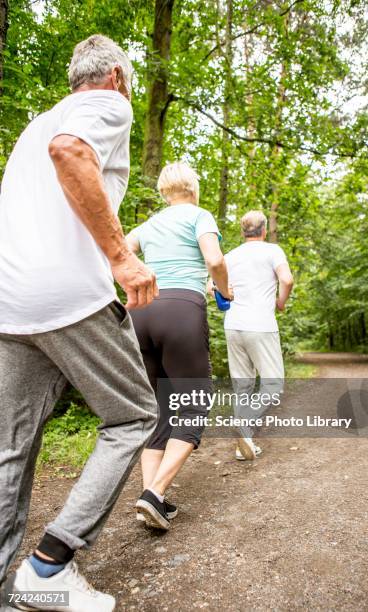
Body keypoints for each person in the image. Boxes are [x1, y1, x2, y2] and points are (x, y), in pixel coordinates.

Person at [0, 35, 159, 611]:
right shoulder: (105, 104)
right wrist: (120, 255)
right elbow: (71, 150)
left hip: (10, 301)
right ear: (116, 74)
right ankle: (47, 569)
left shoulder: (33, 126)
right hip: (68, 296)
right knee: (134, 415)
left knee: (9, 447)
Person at [126, 161, 232, 531]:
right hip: (180, 311)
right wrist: (223, 287)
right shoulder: (199, 215)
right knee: (194, 403)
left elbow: (119, 252)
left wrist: (133, 286)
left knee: (160, 409)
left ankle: (150, 497)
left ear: (162, 192)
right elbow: (215, 259)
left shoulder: (149, 224)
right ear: (194, 187)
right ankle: (154, 494)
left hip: (141, 313)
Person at [221, 210, 294, 461]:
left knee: (243, 385)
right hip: (260, 326)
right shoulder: (272, 251)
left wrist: (226, 294)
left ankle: (244, 446)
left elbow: (212, 286)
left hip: (233, 326)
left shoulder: (230, 256)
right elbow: (287, 279)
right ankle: (244, 424)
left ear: (243, 232)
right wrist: (280, 302)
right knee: (273, 384)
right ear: (263, 230)